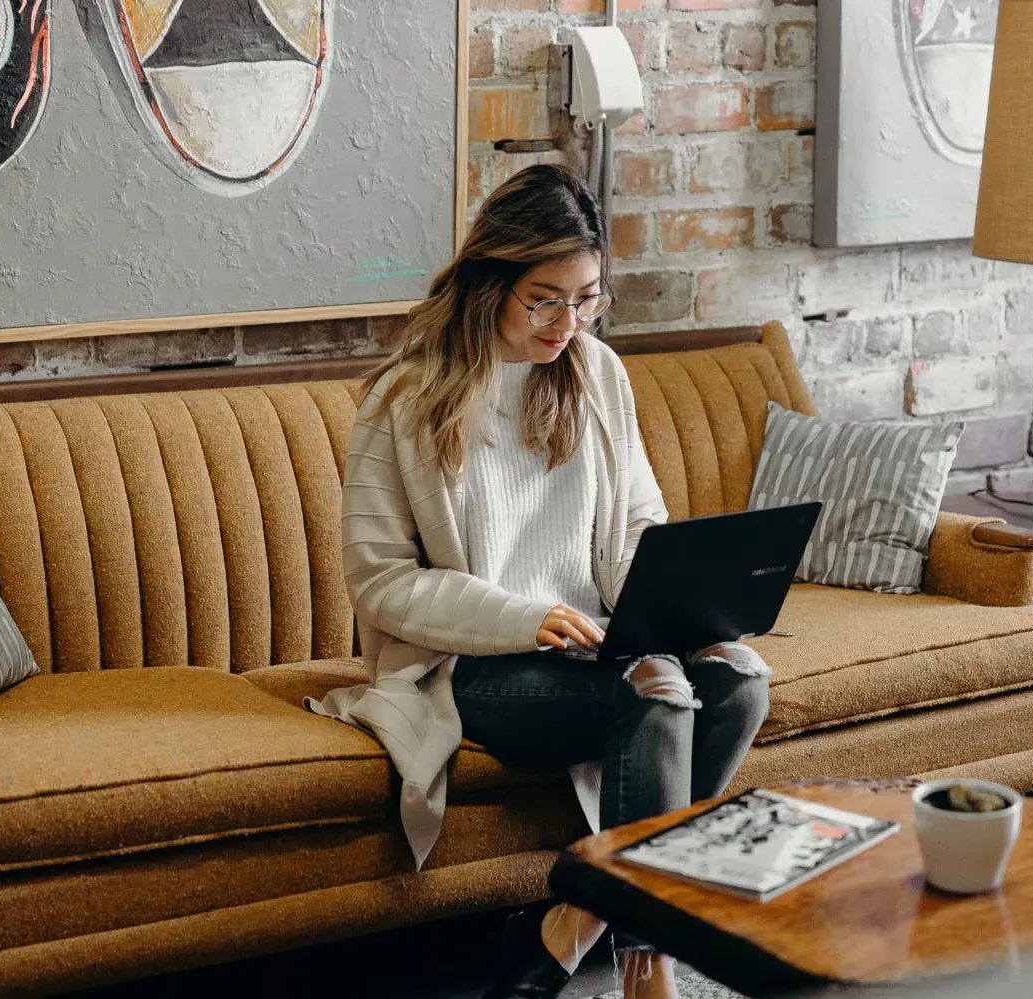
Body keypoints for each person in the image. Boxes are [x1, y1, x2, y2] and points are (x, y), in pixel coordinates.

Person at [307, 163, 772, 999]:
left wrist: (677, 604)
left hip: (597, 642)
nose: (569, 321)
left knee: (738, 677)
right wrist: (527, 617)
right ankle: (648, 966)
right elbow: (378, 582)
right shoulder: (406, 398)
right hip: (476, 664)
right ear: (493, 281)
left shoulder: (597, 375)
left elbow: (636, 527)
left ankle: (581, 913)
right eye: (545, 298)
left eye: (587, 297)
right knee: (658, 690)